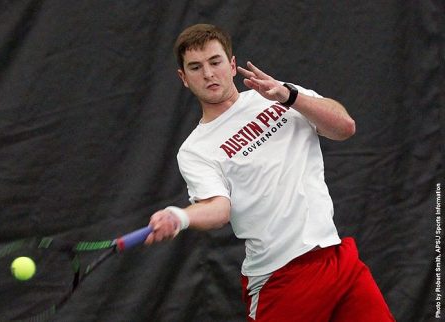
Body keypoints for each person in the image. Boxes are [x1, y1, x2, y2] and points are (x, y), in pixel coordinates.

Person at [145, 23, 395, 321]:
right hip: (280, 277)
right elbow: (219, 209)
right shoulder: (195, 150)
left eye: (215, 62)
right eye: (196, 67)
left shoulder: (281, 95)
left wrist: (290, 97)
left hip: (337, 258)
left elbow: (345, 127)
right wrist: (181, 216)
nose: (209, 74)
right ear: (183, 78)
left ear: (232, 64)